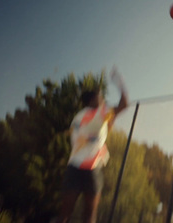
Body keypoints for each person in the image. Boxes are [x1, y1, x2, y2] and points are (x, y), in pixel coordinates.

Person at [56, 68, 128, 223]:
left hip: (74, 167)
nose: (102, 99)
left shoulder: (79, 117)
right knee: (89, 216)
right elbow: (124, 104)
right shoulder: (99, 113)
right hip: (90, 169)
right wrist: (120, 82)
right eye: (100, 96)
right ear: (92, 100)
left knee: (65, 214)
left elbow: (102, 129)